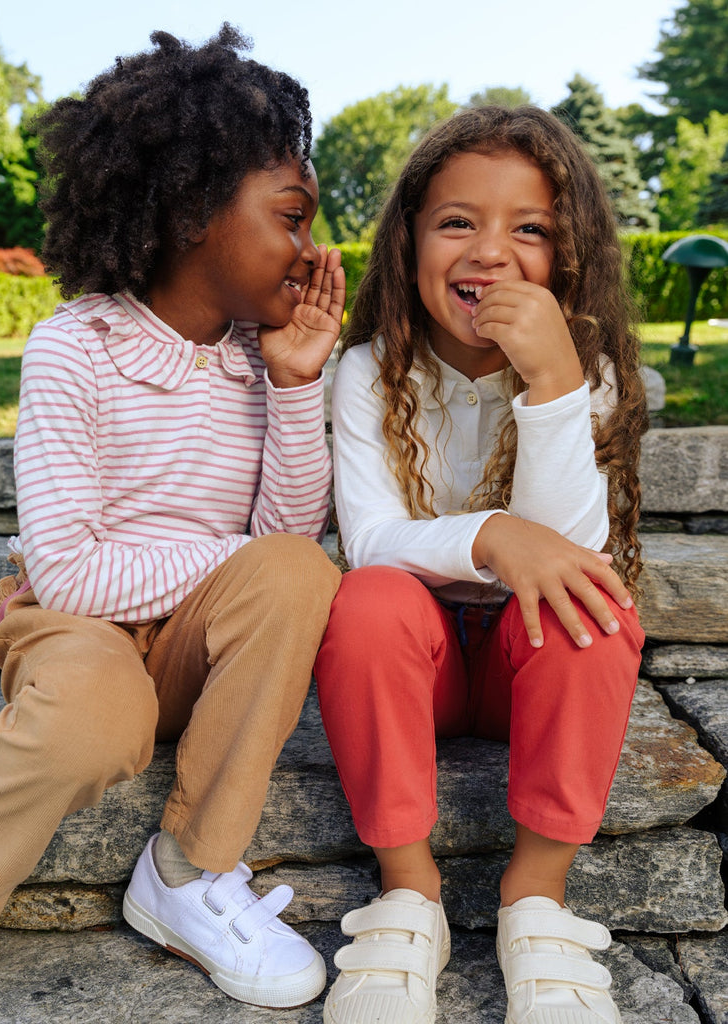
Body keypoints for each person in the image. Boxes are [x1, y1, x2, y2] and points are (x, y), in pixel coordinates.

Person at [0, 25, 345, 1024]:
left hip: (190, 648)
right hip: (76, 635)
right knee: (100, 713)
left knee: (299, 570)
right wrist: (243, 561)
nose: (310, 248)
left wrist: (298, 388)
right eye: (291, 216)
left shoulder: (266, 362)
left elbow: (283, 544)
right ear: (189, 213)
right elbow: (75, 578)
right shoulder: (73, 349)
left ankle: (186, 871)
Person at [313, 105, 647, 1024]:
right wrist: (489, 534)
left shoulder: (588, 373)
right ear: (410, 243)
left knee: (597, 606)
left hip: (520, 660)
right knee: (369, 597)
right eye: (458, 221)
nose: (489, 252)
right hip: (409, 667)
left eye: (528, 229)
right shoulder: (365, 371)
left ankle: (535, 901)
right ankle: (407, 894)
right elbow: (370, 538)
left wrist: (550, 384)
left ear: (567, 257)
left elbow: (569, 556)